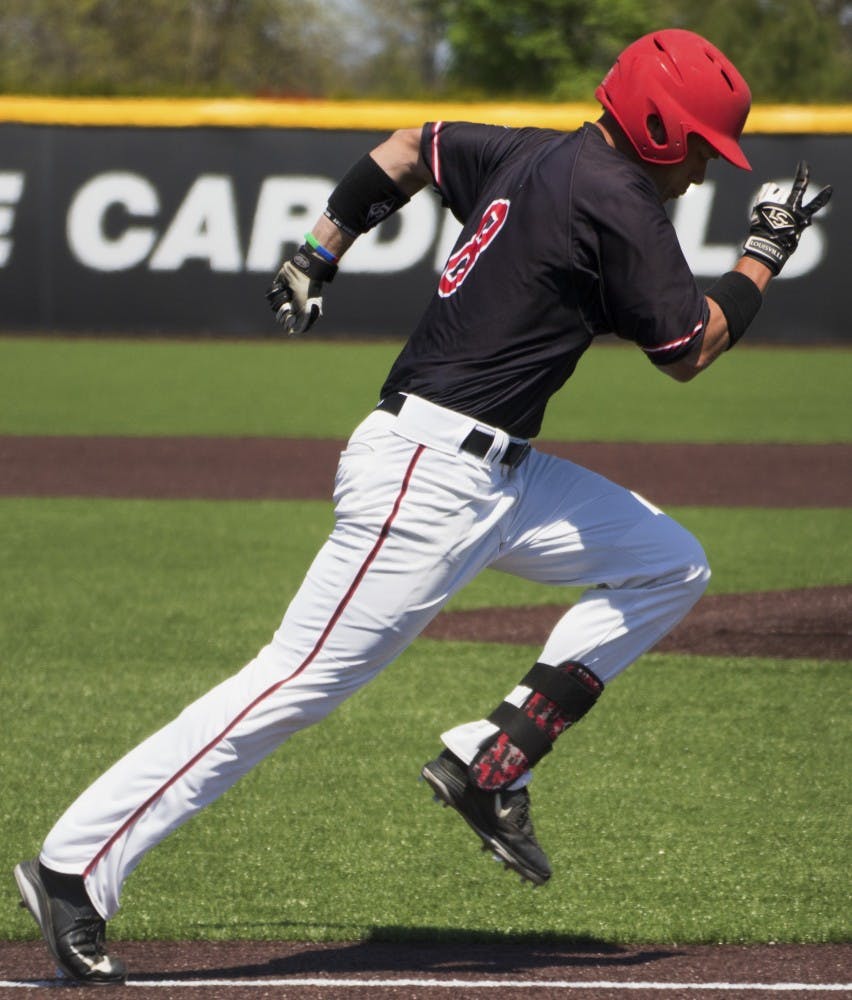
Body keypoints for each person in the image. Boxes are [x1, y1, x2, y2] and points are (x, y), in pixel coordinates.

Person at [14, 28, 831, 986]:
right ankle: (75, 866)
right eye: (699, 146)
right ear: (656, 128)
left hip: (498, 472)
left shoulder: (530, 149)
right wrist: (766, 252)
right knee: (294, 681)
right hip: (428, 475)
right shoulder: (618, 200)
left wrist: (322, 246)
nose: (701, 169)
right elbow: (691, 347)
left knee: (669, 561)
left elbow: (405, 146)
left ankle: (495, 756)